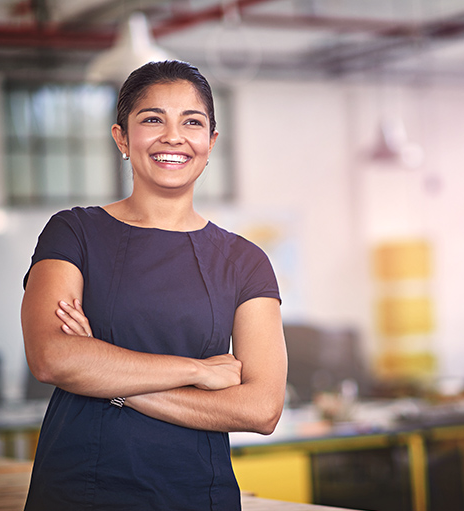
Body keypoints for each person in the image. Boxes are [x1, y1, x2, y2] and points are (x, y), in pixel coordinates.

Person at [20, 60, 288, 510]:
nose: (173, 137)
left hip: (199, 495)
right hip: (79, 492)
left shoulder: (245, 262)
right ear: (122, 138)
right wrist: (199, 371)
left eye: (192, 122)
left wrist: (109, 376)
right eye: (152, 119)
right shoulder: (74, 233)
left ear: (211, 142)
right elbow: (52, 357)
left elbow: (261, 408)